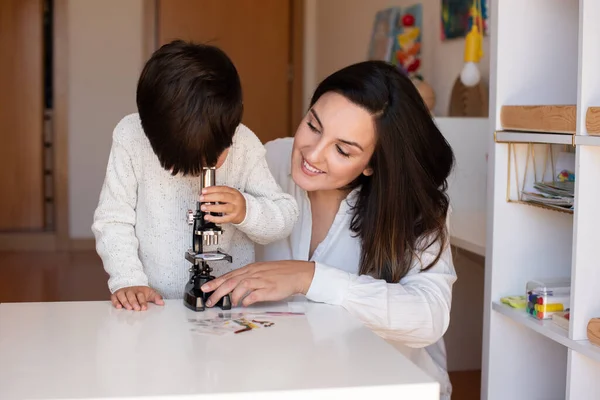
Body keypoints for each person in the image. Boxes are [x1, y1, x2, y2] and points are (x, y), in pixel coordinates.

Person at [199, 60, 457, 399]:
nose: (313, 154)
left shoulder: (414, 207)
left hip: (386, 384)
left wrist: (310, 277)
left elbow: (429, 316)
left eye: (342, 150)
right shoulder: (269, 160)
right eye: (313, 125)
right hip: (291, 376)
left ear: (372, 164)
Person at [91, 40, 299, 311]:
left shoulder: (245, 145)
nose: (206, 170)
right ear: (156, 142)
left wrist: (245, 210)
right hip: (155, 305)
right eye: (192, 165)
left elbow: (285, 215)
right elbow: (113, 219)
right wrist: (128, 279)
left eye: (215, 158)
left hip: (231, 303)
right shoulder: (130, 138)